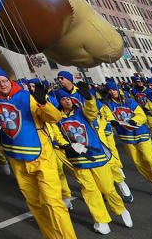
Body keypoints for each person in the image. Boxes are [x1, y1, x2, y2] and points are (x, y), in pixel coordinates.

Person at [0, 67, 76, 239]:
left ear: (9, 80)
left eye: (4, 80)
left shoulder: (27, 96)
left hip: (41, 155)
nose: (2, 84)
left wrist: (43, 102)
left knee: (53, 202)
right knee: (34, 203)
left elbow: (54, 118)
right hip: (16, 157)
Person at [52, 85, 132, 235]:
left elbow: (92, 111)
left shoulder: (82, 112)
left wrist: (89, 99)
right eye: (63, 99)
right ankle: (101, 219)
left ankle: (120, 209)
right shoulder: (57, 118)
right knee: (89, 191)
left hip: (97, 157)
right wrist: (65, 145)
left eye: (68, 98)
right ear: (59, 102)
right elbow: (56, 134)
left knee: (107, 188)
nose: (67, 101)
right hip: (78, 160)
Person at [101, 80, 152, 199]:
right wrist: (112, 122)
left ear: (118, 89)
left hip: (141, 134)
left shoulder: (129, 101)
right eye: (109, 90)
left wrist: (135, 120)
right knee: (139, 163)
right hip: (126, 137)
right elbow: (108, 118)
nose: (112, 92)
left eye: (114, 89)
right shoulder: (107, 104)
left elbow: (141, 115)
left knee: (150, 159)